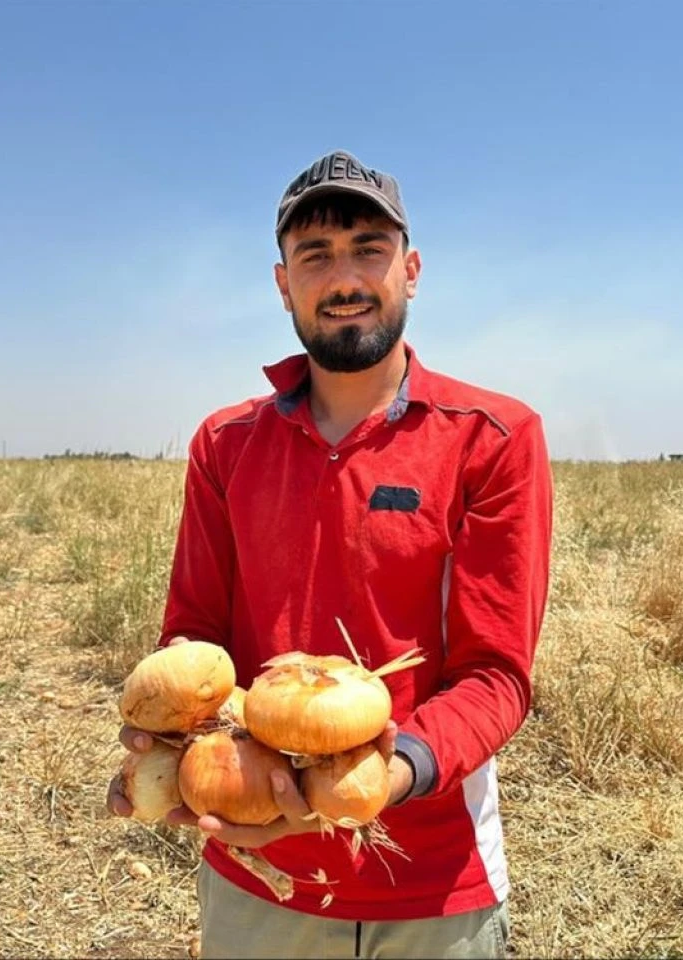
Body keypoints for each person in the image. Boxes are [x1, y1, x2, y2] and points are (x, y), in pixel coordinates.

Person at [105, 149, 553, 959]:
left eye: (367, 249)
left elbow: (497, 677)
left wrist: (384, 775)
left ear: (410, 270)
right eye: (315, 255)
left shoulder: (493, 438)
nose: (343, 277)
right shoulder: (225, 443)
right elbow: (194, 633)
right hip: (257, 867)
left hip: (434, 882)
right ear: (283, 283)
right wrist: (172, 731)